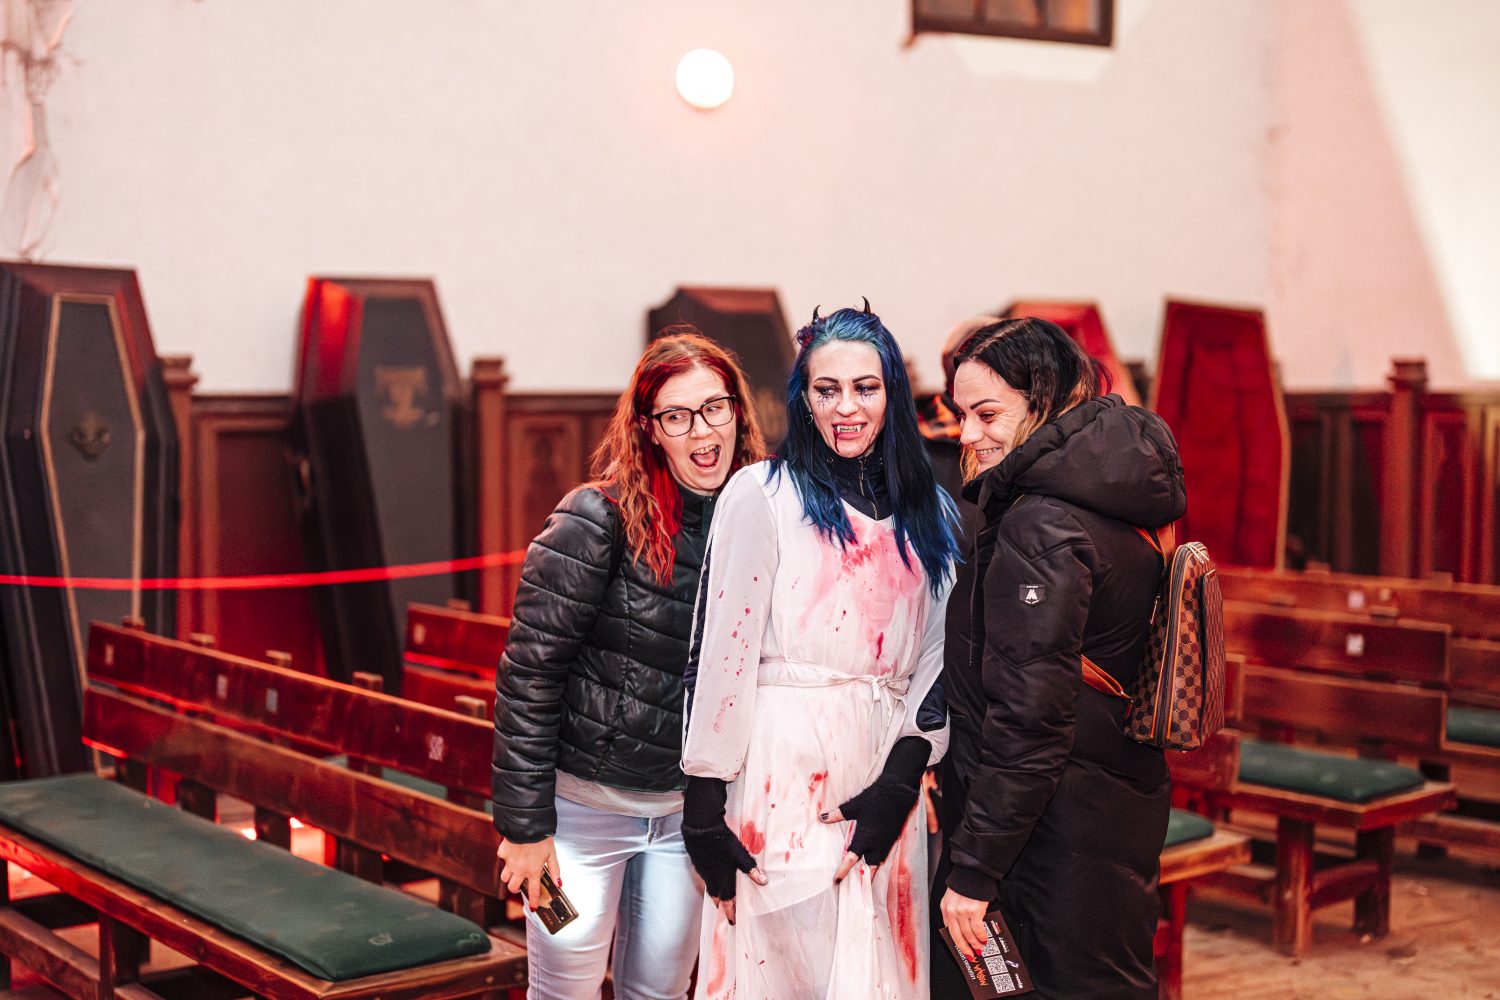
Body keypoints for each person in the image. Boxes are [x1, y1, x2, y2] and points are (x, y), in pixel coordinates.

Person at [680, 303, 962, 999]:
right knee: (784, 971)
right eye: (826, 389)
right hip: (781, 772)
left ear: (892, 395)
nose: (846, 408)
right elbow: (723, 652)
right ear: (803, 398)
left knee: (880, 971)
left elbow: (939, 657)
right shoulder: (762, 494)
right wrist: (702, 808)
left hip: (884, 765)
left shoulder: (933, 513)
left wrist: (901, 782)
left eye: (865, 388)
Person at [491, 329, 767, 1000]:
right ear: (650, 430)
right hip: (582, 817)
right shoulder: (596, 517)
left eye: (715, 407)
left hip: (686, 817)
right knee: (565, 992)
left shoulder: (760, 520)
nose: (702, 431)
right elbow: (529, 677)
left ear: (737, 411)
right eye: (677, 416)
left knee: (661, 993)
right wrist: (526, 829)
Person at [934, 317, 1187, 999]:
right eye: (961, 414)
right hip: (1109, 805)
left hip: (1047, 837)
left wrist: (974, 871)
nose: (967, 434)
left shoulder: (1041, 523)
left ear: (1042, 402)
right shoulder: (1106, 492)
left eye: (988, 414)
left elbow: (1030, 720)